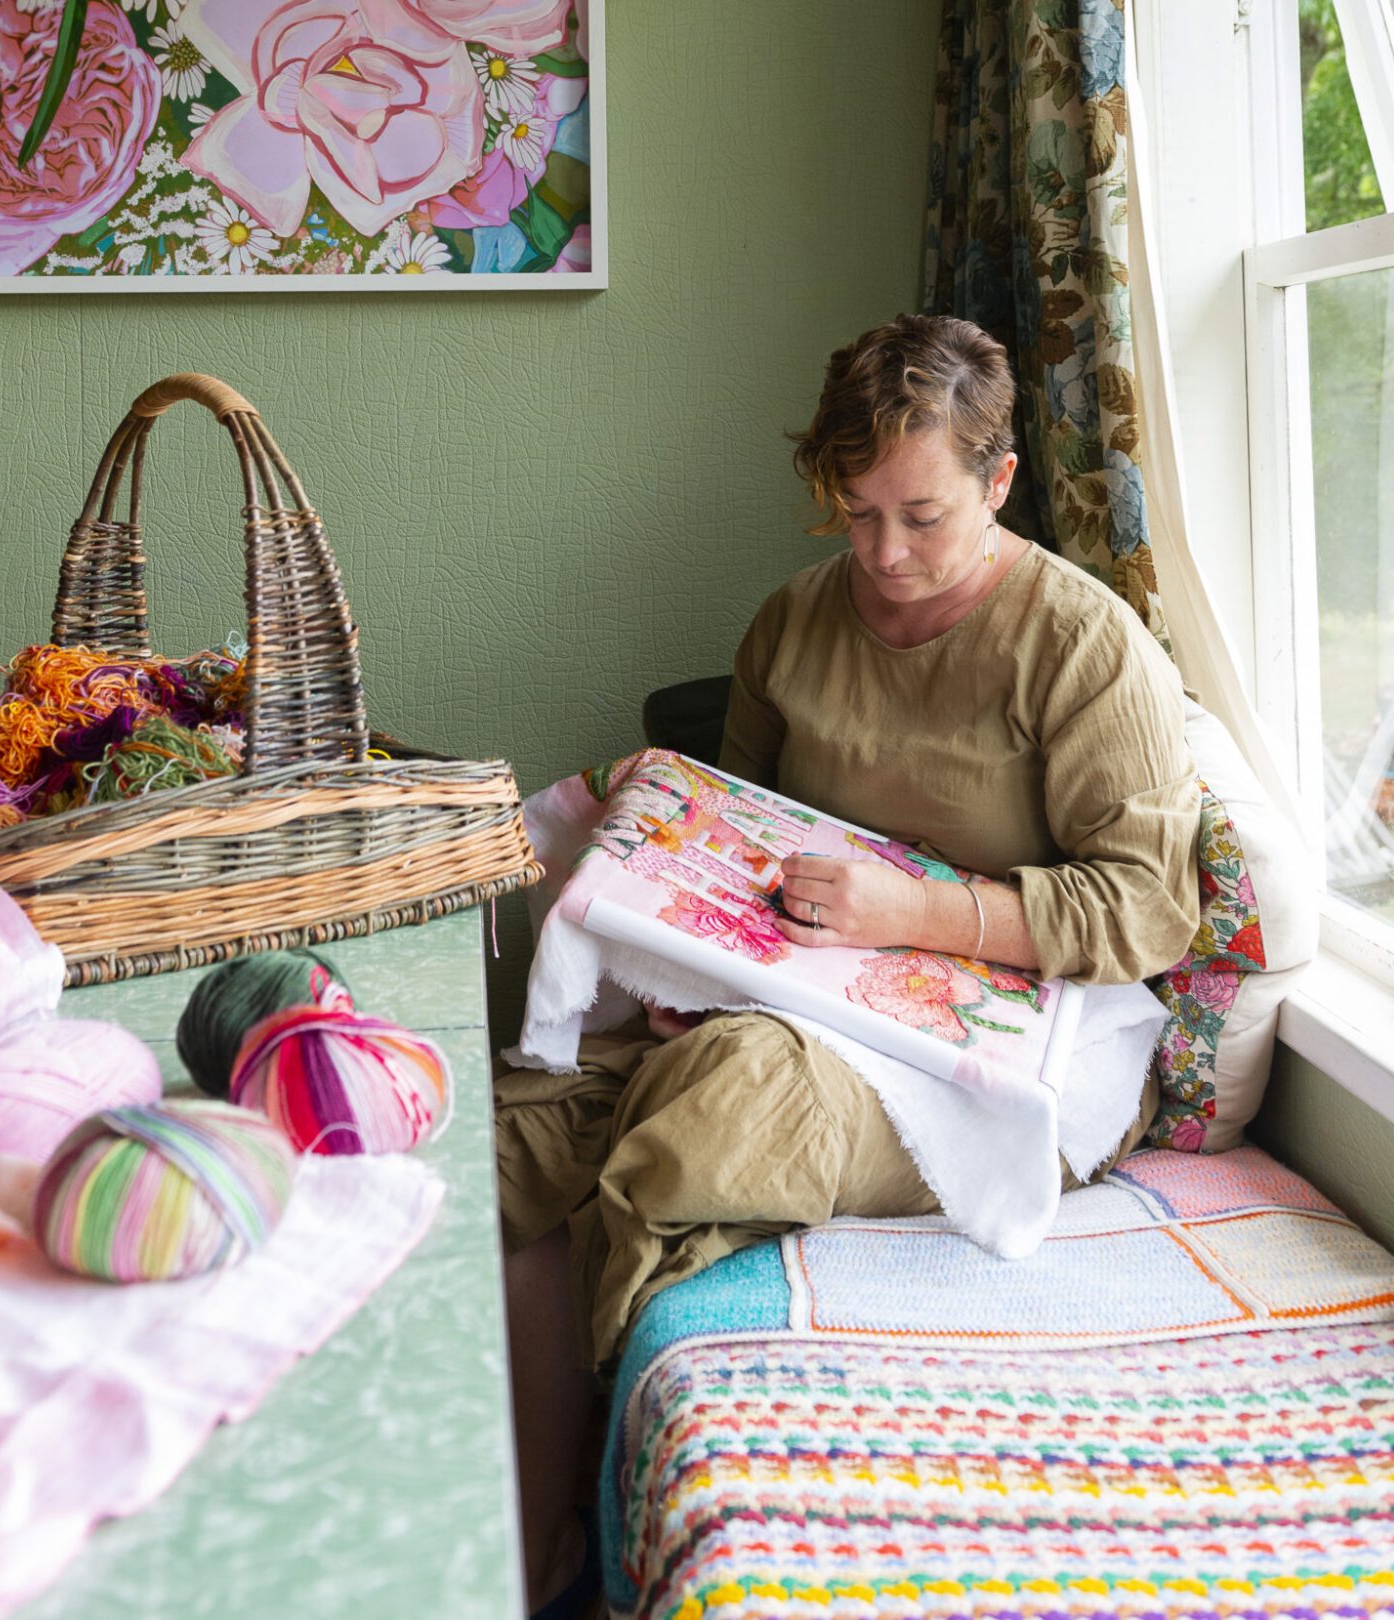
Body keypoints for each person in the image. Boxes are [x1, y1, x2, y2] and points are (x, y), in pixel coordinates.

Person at [496, 313, 1205, 1617]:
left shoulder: (1079, 645)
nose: (882, 554)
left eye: (922, 516)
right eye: (852, 511)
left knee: (708, 1116)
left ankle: (595, 1561)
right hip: (786, 984)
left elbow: (1150, 908)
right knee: (512, 1129)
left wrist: (916, 913)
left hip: (1002, 1040)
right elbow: (727, 839)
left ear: (998, 484)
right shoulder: (790, 625)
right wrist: (668, 950)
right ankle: (494, 1535)